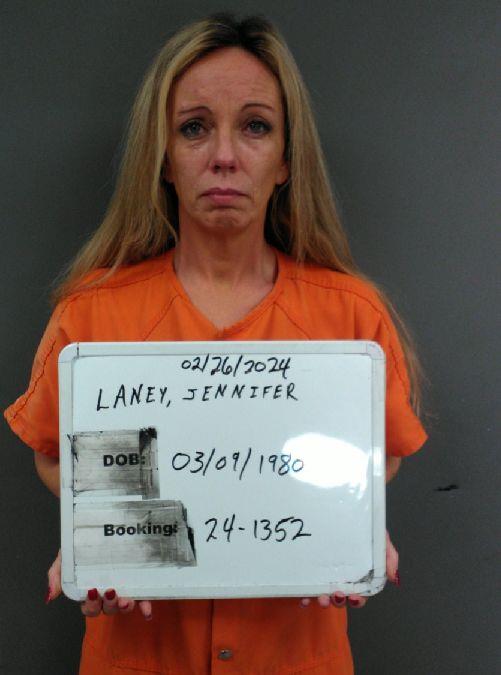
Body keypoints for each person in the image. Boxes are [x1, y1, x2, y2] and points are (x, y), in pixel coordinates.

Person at [4, 13, 427, 674]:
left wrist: (350, 517)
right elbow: (55, 455)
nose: (224, 155)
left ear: (286, 159)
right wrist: (99, 532)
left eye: (255, 126)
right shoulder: (91, 314)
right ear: (163, 158)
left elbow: (383, 452)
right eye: (194, 128)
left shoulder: (350, 314)